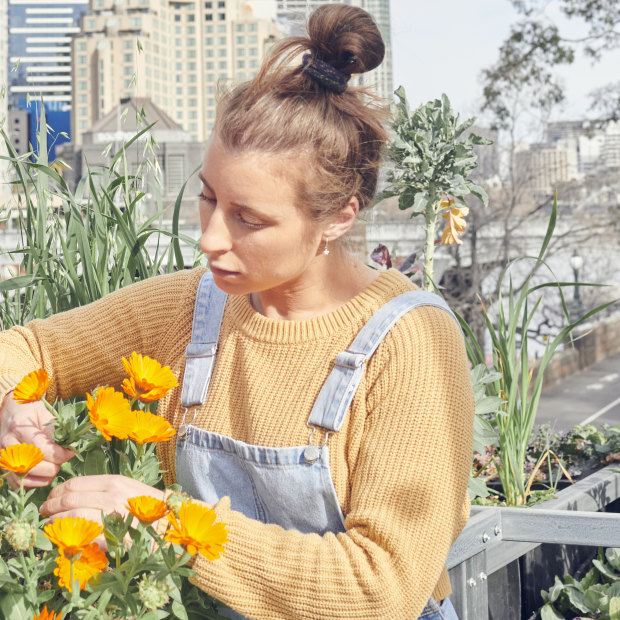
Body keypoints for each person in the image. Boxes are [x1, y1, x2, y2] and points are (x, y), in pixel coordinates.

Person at [0, 4, 474, 619]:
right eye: (207, 197)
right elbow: (27, 346)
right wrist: (15, 402)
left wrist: (169, 524)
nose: (210, 238)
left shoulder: (410, 343)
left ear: (338, 217)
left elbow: (382, 588)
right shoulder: (187, 307)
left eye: (248, 218)